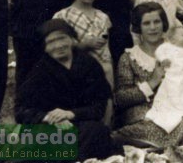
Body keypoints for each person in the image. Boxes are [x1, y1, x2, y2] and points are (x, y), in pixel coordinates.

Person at [15, 19, 112, 161]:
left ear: (72, 39)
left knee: (96, 131)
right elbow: (21, 111)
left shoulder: (89, 64)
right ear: (44, 47)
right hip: (49, 127)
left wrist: (70, 114)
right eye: (51, 42)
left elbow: (98, 107)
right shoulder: (38, 71)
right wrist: (49, 118)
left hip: (80, 124)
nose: (59, 45)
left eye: (62, 38)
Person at [115, 2, 183, 147]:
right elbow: (121, 98)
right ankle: (166, 150)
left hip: (173, 112)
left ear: (163, 23)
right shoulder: (129, 57)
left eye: (157, 22)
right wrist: (152, 82)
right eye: (146, 23)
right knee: (152, 129)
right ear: (138, 27)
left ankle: (158, 150)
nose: (153, 27)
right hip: (141, 116)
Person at [53, 0, 114, 89]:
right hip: (75, 77)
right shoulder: (63, 16)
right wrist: (83, 45)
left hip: (104, 74)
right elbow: (56, 52)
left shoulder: (103, 17)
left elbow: (106, 53)